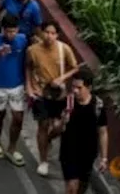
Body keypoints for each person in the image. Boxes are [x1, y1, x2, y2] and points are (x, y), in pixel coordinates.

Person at [28, 20, 79, 177]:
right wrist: (29, 87)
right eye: (47, 32)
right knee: (42, 125)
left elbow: (75, 68)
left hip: (60, 95)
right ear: (41, 33)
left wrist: (62, 78)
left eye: (53, 33)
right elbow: (28, 67)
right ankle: (43, 161)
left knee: (60, 126)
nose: (49, 36)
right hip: (41, 93)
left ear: (57, 34)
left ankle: (48, 140)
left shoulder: (64, 49)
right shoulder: (32, 50)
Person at [0, 13, 30, 167]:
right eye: (9, 31)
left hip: (17, 85)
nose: (12, 34)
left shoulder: (22, 40)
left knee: (18, 118)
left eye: (14, 31)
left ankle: (12, 148)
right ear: (2, 29)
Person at [58, 69, 108, 193]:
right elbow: (55, 129)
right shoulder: (67, 102)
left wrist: (104, 158)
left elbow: (103, 132)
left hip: (87, 155)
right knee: (72, 186)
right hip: (68, 152)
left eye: (79, 87)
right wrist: (63, 121)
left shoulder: (98, 105)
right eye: (73, 86)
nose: (75, 90)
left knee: (81, 188)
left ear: (89, 87)